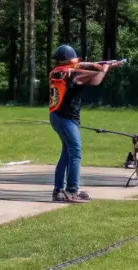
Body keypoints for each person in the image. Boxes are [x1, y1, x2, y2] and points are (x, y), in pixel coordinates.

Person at [48, 44, 112, 203]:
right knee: (75, 151)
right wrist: (100, 67)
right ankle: (71, 190)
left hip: (66, 117)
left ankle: (58, 191)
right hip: (63, 117)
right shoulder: (61, 72)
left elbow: (94, 80)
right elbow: (84, 72)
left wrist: (104, 69)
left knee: (68, 153)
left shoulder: (70, 73)